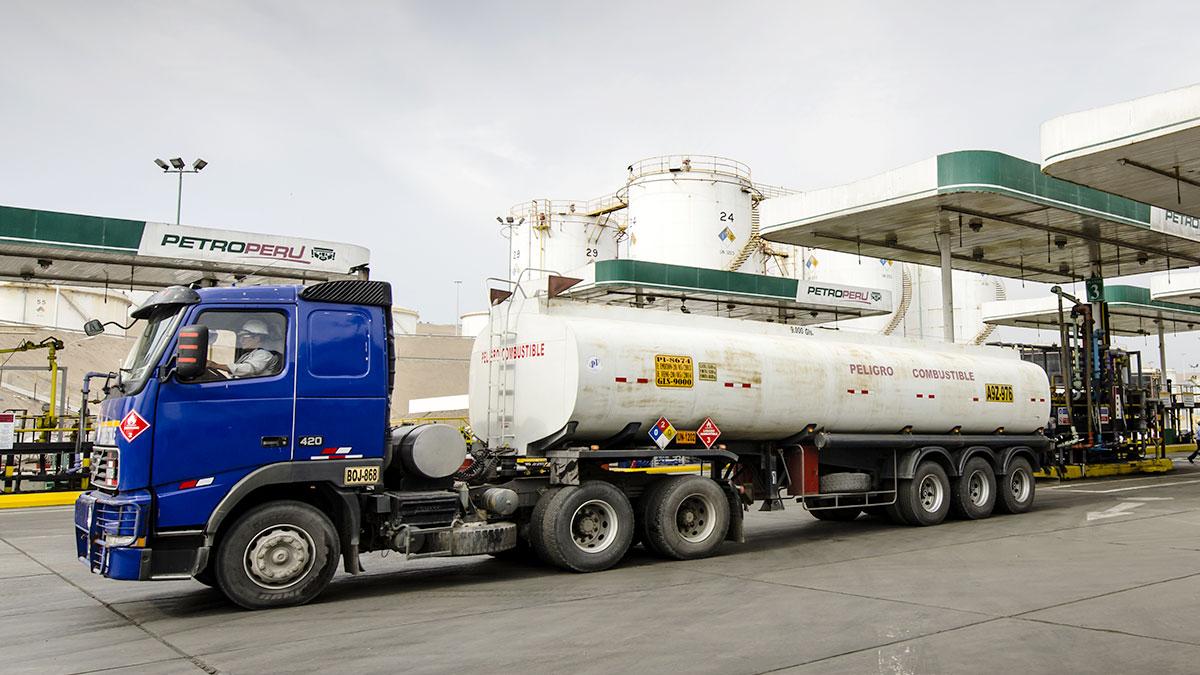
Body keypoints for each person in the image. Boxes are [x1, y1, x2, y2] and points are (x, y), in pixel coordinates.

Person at [209, 319, 278, 378]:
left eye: (244, 337)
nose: (241, 340)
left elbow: (248, 369)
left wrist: (216, 366)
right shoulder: (247, 355)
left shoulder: (264, 354)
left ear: (257, 338)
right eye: (240, 338)